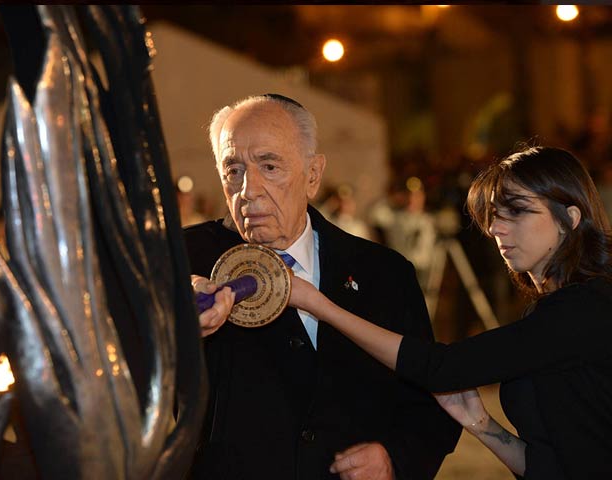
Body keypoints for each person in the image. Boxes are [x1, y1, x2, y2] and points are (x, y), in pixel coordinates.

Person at [288, 146, 612, 479]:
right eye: (494, 214)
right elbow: (553, 466)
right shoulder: (552, 310)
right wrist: (482, 425)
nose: (496, 228)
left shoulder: (585, 308)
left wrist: (321, 306)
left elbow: (442, 368)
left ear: (569, 219)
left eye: (517, 211)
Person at [183, 94, 461, 480]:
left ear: (313, 175)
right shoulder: (176, 264)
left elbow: (433, 402)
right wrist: (171, 319)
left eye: (269, 166)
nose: (248, 189)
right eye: (233, 170)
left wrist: (395, 458)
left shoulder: (385, 273)